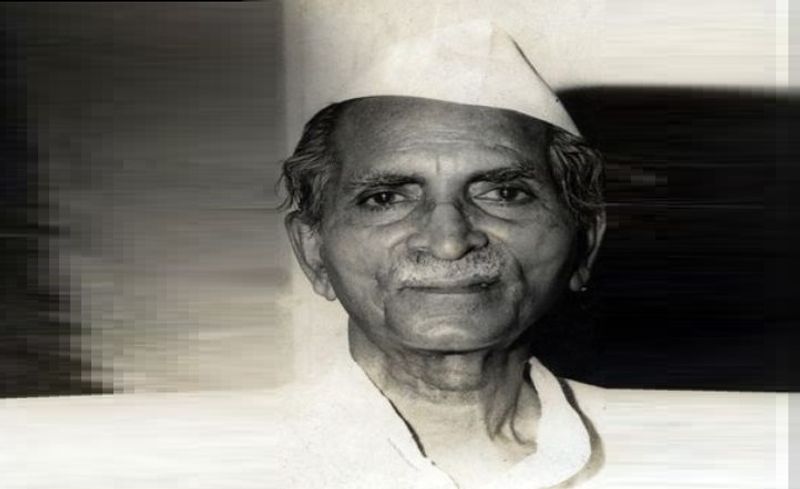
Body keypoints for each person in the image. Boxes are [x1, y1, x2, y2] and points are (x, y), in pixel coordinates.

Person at [0, 20, 785, 489]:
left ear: (586, 240)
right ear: (313, 250)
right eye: (386, 197)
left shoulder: (730, 458)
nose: (448, 238)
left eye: (504, 191)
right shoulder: (145, 463)